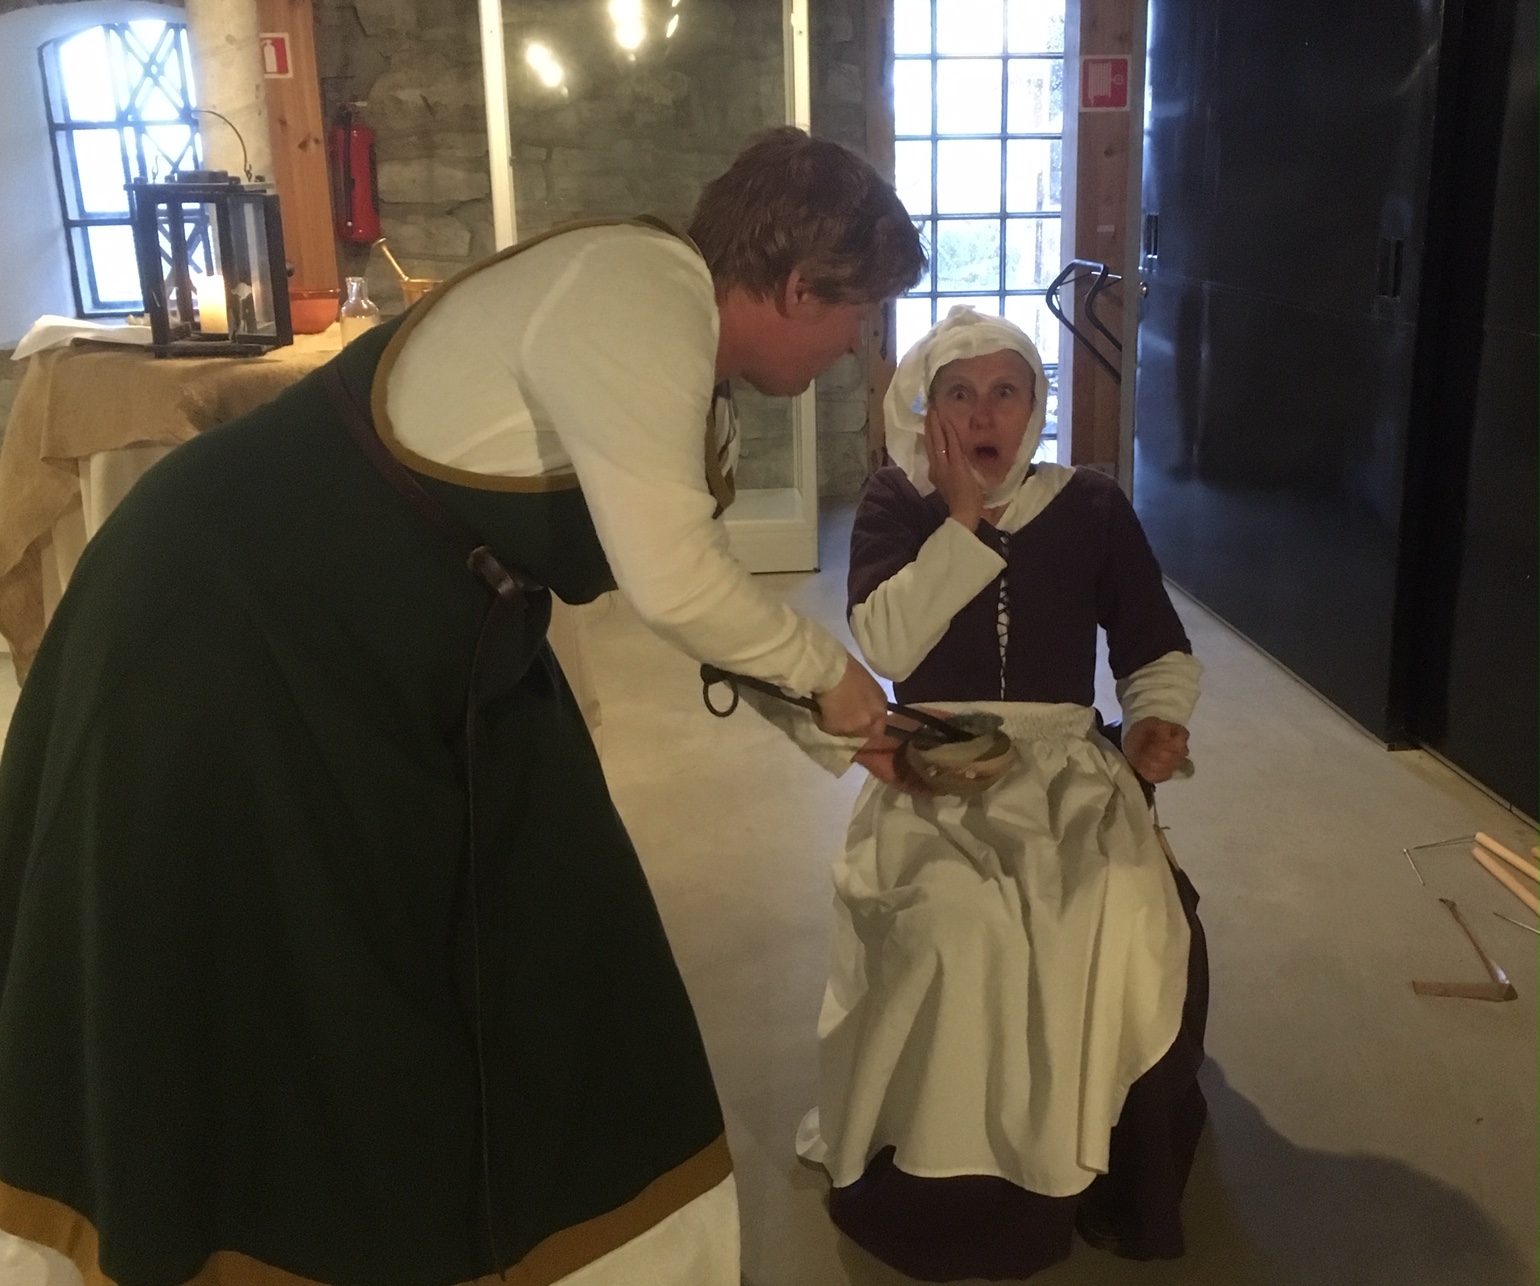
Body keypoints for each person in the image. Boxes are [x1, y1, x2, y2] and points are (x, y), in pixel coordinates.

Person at [0, 127, 923, 1286]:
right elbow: (678, 583)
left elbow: (691, 589)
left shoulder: (677, 339)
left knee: (538, 903)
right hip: (226, 607)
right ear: (795, 285)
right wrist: (836, 674)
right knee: (260, 939)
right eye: (858, 314)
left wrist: (847, 727)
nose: (854, 348)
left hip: (376, 631)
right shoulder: (640, 290)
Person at [792, 306, 1209, 1281]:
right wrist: (962, 519)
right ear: (926, 409)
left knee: (1114, 908)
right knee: (960, 921)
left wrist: (1152, 720)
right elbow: (887, 644)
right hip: (929, 761)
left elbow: (1153, 644)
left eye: (1005, 391)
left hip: (1068, 762)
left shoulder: (1090, 503)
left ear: (1035, 404)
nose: (984, 414)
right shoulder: (896, 502)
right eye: (960, 393)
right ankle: (956, 1189)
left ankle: (1094, 1162)